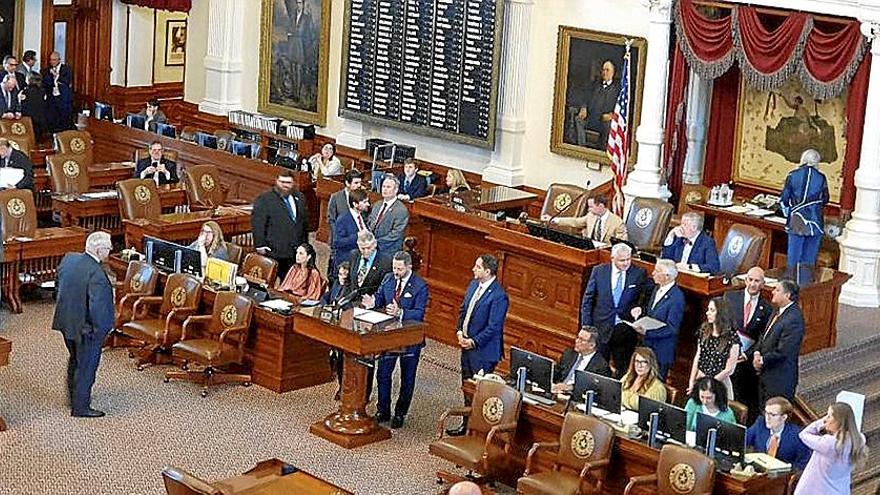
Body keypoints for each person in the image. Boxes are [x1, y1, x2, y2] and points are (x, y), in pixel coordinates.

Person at [362, 251, 429, 428]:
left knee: (407, 377)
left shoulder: (420, 286)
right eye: (394, 267)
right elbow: (380, 297)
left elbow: (419, 313)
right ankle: (383, 410)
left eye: (399, 269)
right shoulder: (388, 279)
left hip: (410, 338)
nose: (396, 271)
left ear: (409, 267)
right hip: (388, 336)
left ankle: (400, 413)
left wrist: (401, 312)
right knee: (383, 373)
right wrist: (373, 302)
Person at [51, 231, 114, 417]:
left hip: (66, 321)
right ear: (98, 249)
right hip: (87, 329)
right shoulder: (98, 276)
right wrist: (102, 331)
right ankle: (81, 407)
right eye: (108, 248)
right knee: (87, 366)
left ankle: (73, 396)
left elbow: (57, 285)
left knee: (75, 359)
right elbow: (99, 309)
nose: (110, 251)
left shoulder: (69, 259)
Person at [446, 254, 509, 437]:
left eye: (478, 267)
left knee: (479, 393)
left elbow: (494, 327)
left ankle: (477, 432)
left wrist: (473, 341)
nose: (474, 269)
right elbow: (463, 310)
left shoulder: (499, 296)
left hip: (483, 352)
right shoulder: (473, 285)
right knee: (467, 387)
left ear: (487, 271)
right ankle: (466, 425)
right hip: (466, 346)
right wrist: (459, 331)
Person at [580, 242, 648, 375]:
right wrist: (586, 327)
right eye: (622, 260)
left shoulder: (638, 273)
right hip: (600, 329)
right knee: (596, 369)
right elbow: (588, 301)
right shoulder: (599, 271)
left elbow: (647, 298)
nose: (626, 263)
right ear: (612, 258)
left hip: (624, 332)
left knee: (622, 371)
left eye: (628, 259)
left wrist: (640, 308)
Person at [725, 266, 772, 423]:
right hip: (728, 356)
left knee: (744, 398)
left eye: (757, 281)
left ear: (763, 284)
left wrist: (747, 353)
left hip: (747, 361)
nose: (752, 284)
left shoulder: (767, 308)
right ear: (745, 280)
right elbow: (724, 324)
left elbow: (763, 337)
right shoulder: (730, 297)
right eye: (750, 280)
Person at [751, 279, 804, 407]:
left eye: (777, 290)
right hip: (766, 375)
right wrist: (757, 352)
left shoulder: (794, 319)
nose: (773, 292)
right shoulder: (777, 311)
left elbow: (784, 351)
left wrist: (762, 360)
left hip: (779, 379)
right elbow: (764, 335)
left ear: (788, 295)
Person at [795, 402, 868, 495]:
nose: (826, 419)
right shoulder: (859, 439)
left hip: (818, 491)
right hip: (840, 491)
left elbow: (803, 434)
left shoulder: (829, 443)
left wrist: (821, 422)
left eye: (829, 416)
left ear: (838, 421)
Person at [631, 259, 685, 380]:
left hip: (661, 351)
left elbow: (672, 328)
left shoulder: (676, 298)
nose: (653, 273)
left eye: (657, 271)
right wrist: (641, 311)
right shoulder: (657, 289)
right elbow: (653, 312)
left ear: (667, 276)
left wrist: (648, 333)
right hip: (648, 347)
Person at [252, 169, 309, 280]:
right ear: (276, 181)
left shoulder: (300, 197)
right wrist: (260, 245)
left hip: (295, 251)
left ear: (293, 183)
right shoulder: (265, 199)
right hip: (274, 250)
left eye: (288, 183)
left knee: (291, 281)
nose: (285, 186)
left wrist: (305, 246)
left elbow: (304, 223)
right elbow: (258, 223)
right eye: (282, 182)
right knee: (269, 281)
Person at [781, 148, 830, 268]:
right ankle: (805, 285)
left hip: (796, 221)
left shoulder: (792, 175)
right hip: (815, 222)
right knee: (809, 261)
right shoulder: (821, 178)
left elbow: (785, 199)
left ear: (802, 159)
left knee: (793, 259)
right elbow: (825, 199)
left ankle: (791, 284)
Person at [687, 297, 740, 399]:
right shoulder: (704, 330)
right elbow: (698, 356)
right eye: (708, 309)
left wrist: (710, 383)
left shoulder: (732, 337)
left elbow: (729, 369)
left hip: (720, 382)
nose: (707, 313)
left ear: (721, 313)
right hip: (701, 377)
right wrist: (691, 380)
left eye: (712, 310)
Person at [746, 396, 811, 471]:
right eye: (766, 413)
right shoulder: (760, 423)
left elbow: (803, 463)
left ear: (784, 417)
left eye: (772, 415)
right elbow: (744, 440)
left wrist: (788, 470)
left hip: (781, 476)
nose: (767, 418)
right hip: (757, 471)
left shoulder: (797, 435)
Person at [320, 261, 354, 400]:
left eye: (344, 275)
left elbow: (349, 307)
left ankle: (342, 387)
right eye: (340, 274)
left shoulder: (351, 290)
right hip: (331, 321)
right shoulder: (336, 284)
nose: (341, 278)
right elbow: (325, 297)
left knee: (342, 357)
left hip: (343, 325)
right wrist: (325, 306)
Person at [543, 194, 628, 243]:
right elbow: (575, 222)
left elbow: (621, 244)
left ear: (601, 206)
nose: (588, 209)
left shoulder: (617, 222)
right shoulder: (590, 215)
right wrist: (553, 219)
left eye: (591, 207)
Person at [574, 60, 621, 148]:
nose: (604, 72)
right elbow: (585, 97)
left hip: (604, 120)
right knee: (578, 120)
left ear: (613, 73)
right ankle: (582, 148)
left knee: (609, 125)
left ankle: (600, 150)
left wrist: (611, 115)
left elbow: (620, 109)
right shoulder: (594, 85)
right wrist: (583, 107)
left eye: (607, 70)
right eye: (603, 70)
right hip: (590, 118)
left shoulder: (617, 90)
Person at [551, 327, 611, 394]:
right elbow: (557, 373)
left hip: (577, 398)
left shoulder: (600, 365)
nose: (577, 341)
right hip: (557, 391)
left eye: (581, 340)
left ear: (592, 345)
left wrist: (570, 387)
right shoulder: (569, 354)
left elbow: (593, 388)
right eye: (577, 337)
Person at [345, 230, 392, 303]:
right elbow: (349, 280)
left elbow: (386, 289)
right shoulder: (354, 255)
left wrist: (374, 300)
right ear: (358, 245)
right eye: (363, 248)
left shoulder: (386, 262)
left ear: (375, 244)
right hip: (351, 303)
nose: (366, 251)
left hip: (372, 306)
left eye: (369, 248)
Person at [368, 175, 409, 256]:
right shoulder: (377, 205)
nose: (385, 189)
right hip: (371, 247)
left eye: (388, 187)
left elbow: (396, 234)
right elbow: (370, 222)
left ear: (396, 190)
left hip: (388, 250)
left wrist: (376, 242)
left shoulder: (401, 210)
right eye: (383, 186)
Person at [327, 169, 364, 259]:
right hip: (340, 239)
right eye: (356, 183)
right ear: (347, 183)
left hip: (356, 241)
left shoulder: (363, 197)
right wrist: (337, 235)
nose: (359, 186)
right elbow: (331, 219)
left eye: (360, 183)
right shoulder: (336, 197)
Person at [332, 188, 370, 274]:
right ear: (355, 204)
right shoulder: (343, 219)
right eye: (364, 202)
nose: (368, 204)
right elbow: (337, 242)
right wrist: (357, 236)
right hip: (347, 262)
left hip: (360, 260)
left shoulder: (363, 216)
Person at [620, 347, 667, 411]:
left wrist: (624, 401)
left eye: (644, 362)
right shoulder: (627, 377)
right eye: (637, 361)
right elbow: (615, 394)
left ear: (651, 364)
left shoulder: (657, 388)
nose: (640, 366)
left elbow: (644, 407)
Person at [42, 51, 74, 132]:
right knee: (52, 118)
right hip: (51, 98)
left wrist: (57, 75)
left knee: (64, 118)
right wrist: (51, 76)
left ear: (59, 60)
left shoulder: (66, 69)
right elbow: (45, 83)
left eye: (54, 60)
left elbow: (66, 81)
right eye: (51, 60)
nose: (52, 62)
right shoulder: (46, 70)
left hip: (63, 98)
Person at [19, 72, 48, 142]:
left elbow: (20, 103)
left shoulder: (25, 92)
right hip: (41, 119)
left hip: (28, 119)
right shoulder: (43, 91)